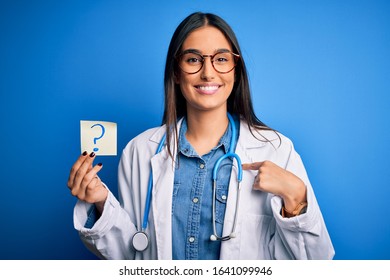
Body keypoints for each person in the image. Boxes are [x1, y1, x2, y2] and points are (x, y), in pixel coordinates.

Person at [67, 12, 335, 260]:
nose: (208, 72)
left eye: (221, 59)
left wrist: (296, 198)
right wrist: (100, 201)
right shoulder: (140, 151)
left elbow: (316, 261)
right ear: (176, 72)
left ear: (236, 70)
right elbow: (131, 256)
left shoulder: (276, 149)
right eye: (193, 59)